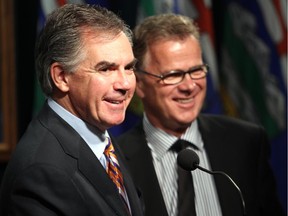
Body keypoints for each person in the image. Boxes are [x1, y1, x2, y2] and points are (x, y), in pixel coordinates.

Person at [116, 13, 285, 216]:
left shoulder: (246, 142)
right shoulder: (116, 161)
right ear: (139, 84)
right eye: (173, 75)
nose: (189, 86)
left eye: (196, 70)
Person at [0, 4, 144, 216]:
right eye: (106, 69)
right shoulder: (41, 171)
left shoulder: (100, 137)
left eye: (129, 68)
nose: (125, 84)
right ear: (61, 77)